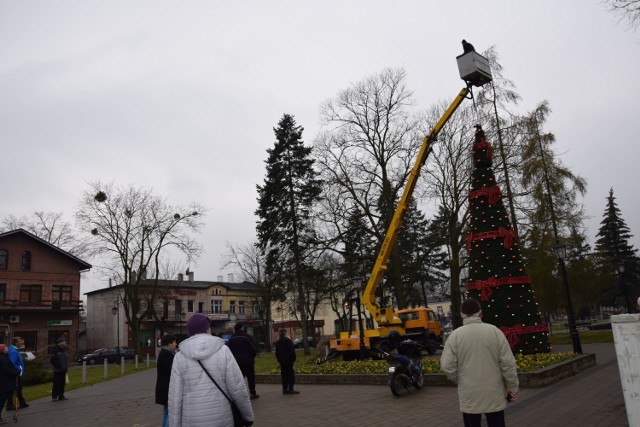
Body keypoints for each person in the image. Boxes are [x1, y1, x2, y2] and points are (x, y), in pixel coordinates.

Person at [440, 298, 519, 427]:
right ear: (480, 313)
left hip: (469, 392)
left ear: (462, 315)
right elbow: (508, 363)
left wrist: (459, 379)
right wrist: (512, 387)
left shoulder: (455, 336)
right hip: (493, 391)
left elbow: (446, 365)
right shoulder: (495, 332)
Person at [168, 313, 253, 427]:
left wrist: (175, 424)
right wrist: (248, 416)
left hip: (191, 420)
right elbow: (237, 387)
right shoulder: (223, 351)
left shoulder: (179, 357)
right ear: (207, 328)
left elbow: (175, 397)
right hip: (222, 418)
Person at [227, 322, 259, 399]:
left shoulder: (232, 338)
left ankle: (240, 395)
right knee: (250, 377)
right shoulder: (247, 337)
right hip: (248, 361)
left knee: (239, 379)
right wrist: (251, 357)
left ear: (235, 329)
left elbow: (227, 350)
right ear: (242, 328)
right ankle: (252, 393)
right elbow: (253, 349)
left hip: (236, 362)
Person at [155, 334, 177, 427]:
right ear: (169, 344)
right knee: (170, 412)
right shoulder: (167, 355)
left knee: (166, 411)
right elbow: (172, 371)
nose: (176, 344)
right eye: (174, 342)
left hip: (163, 387)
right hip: (167, 388)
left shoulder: (163, 353)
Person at [6, 337, 27, 410]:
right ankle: (11, 404)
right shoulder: (13, 351)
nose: (22, 342)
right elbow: (11, 363)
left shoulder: (14, 350)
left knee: (17, 388)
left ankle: (20, 403)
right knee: (17, 388)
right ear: (16, 343)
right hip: (16, 373)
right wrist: (18, 370)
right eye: (20, 341)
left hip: (17, 373)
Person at [275, 328, 299, 395]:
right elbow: (292, 351)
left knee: (284, 375)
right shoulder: (288, 341)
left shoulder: (278, 342)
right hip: (288, 361)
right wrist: (293, 359)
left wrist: (279, 360)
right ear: (285, 333)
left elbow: (277, 353)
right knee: (290, 375)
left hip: (282, 361)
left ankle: (285, 389)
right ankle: (291, 389)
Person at [0, 344, 18, 424]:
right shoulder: (3, 359)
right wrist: (15, 372)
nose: (7, 348)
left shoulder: (4, 358)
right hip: (5, 383)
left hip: (4, 382)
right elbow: (6, 370)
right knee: (1, 400)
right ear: (3, 350)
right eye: (6, 347)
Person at [50, 336, 69, 401]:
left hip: (63, 370)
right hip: (57, 370)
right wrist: (59, 365)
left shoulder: (65, 349)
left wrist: (66, 368)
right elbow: (52, 360)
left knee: (62, 384)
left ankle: (61, 396)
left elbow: (65, 360)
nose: (65, 343)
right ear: (60, 343)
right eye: (64, 342)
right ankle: (54, 396)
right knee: (56, 384)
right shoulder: (55, 350)